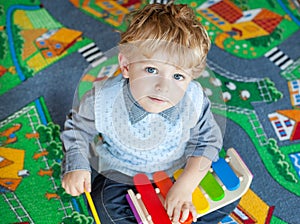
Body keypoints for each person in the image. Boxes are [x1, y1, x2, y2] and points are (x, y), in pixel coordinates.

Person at [61, 2, 238, 224]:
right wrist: (77, 164)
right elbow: (77, 129)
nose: (163, 87)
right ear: (126, 65)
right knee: (103, 205)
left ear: (191, 78)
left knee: (227, 196)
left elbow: (208, 141)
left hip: (178, 166)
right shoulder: (103, 100)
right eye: (151, 70)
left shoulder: (193, 99)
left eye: (178, 77)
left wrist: (185, 186)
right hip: (124, 171)